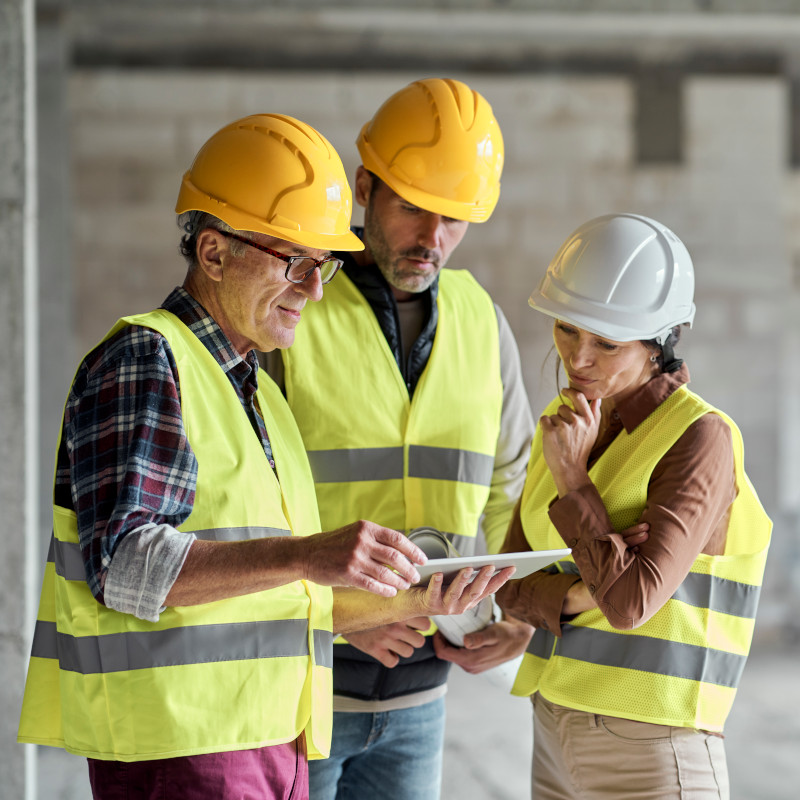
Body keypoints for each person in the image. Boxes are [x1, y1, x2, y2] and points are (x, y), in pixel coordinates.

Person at [17, 113, 512, 800]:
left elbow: (271, 599)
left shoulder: (259, 394)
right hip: (186, 747)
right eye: (296, 263)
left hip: (267, 739)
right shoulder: (148, 358)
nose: (315, 289)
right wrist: (309, 554)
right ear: (214, 253)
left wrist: (432, 598)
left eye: (325, 266)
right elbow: (125, 566)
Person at [273, 78, 536, 800]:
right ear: (364, 187)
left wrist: (514, 614)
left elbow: (510, 487)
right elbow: (241, 504)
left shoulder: (481, 321)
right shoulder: (291, 309)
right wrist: (334, 615)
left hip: (425, 698)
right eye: (414, 206)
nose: (433, 238)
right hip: (302, 684)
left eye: (454, 217)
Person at [495, 212, 772, 799]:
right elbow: (507, 585)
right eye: (568, 329)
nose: (578, 359)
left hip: (655, 742)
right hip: (553, 725)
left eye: (607, 343)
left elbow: (627, 603)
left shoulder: (701, 439)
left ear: (659, 344)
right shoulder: (568, 425)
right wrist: (579, 589)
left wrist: (575, 480)